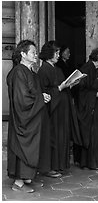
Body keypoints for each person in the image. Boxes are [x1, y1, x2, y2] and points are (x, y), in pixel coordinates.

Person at [6, 40, 51, 193]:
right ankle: (18, 184)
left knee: (33, 147)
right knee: (23, 147)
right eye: (33, 52)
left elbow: (34, 93)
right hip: (23, 120)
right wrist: (40, 98)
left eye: (36, 52)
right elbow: (22, 99)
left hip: (33, 119)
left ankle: (27, 179)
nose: (36, 54)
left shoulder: (30, 71)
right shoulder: (19, 71)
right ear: (23, 54)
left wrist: (42, 96)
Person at [37, 40, 81, 177]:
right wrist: (61, 88)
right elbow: (43, 92)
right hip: (53, 110)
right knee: (53, 138)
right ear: (48, 53)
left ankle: (60, 165)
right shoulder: (43, 69)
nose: (58, 55)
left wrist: (72, 84)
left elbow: (62, 87)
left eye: (58, 52)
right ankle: (50, 167)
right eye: (55, 52)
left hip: (62, 109)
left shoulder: (58, 69)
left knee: (62, 137)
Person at [73, 45, 98, 170]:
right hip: (90, 109)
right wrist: (95, 94)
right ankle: (91, 162)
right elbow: (80, 91)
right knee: (92, 135)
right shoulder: (86, 69)